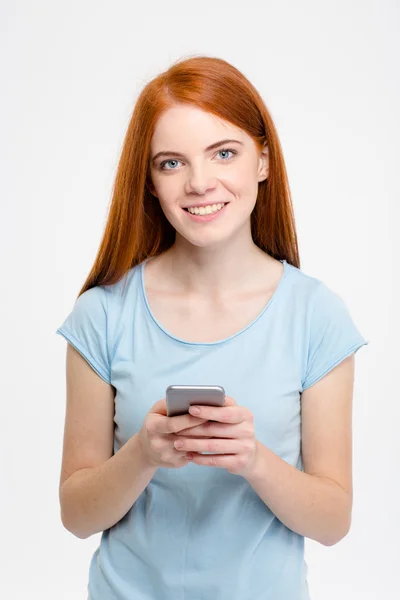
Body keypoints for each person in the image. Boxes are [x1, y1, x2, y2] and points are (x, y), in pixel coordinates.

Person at [56, 55, 369, 600]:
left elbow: (333, 521)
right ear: (150, 182)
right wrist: (143, 453)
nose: (200, 183)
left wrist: (253, 460)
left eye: (224, 153)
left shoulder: (316, 316)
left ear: (263, 162)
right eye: (171, 163)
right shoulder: (101, 315)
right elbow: (77, 515)